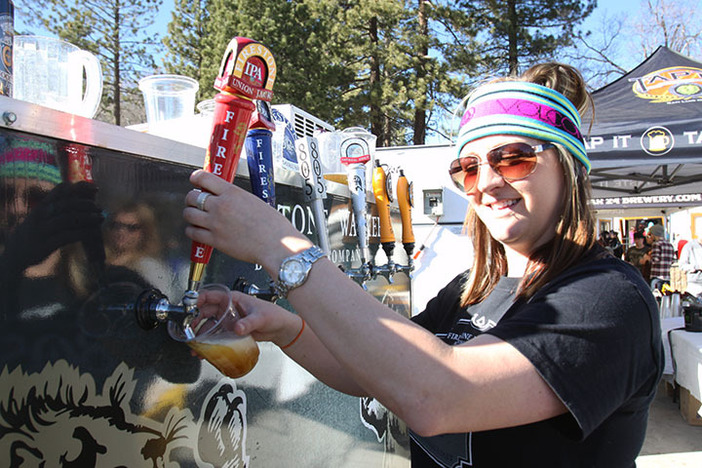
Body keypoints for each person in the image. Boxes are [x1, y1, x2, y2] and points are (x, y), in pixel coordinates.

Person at [183, 63, 663, 467]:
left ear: (570, 167)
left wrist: (280, 245)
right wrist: (282, 326)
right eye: (469, 168)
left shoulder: (609, 298)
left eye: (514, 159)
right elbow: (382, 370)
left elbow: (436, 396)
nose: (488, 182)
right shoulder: (472, 289)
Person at [645, 223, 676, 292]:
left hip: (657, 276)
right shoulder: (670, 245)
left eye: (651, 234)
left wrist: (647, 258)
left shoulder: (656, 244)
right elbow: (672, 260)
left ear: (654, 234)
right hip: (667, 276)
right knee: (665, 297)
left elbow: (655, 260)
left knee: (656, 298)